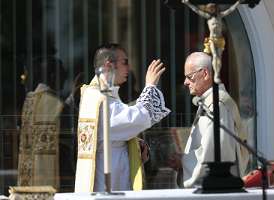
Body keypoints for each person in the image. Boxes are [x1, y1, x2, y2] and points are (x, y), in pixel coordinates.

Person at [74, 43, 170, 192]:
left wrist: (133, 142)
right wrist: (150, 86)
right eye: (124, 62)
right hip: (108, 177)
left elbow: (110, 132)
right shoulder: (100, 98)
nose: (128, 68)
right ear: (108, 65)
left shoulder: (95, 94)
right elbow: (135, 119)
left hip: (112, 167)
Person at [168, 52, 249, 188]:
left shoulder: (218, 104)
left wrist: (183, 160)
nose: (185, 82)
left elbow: (217, 152)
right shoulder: (209, 101)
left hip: (216, 188)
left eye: (189, 77)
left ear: (205, 74)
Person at [18, 56, 67, 190]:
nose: (64, 81)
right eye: (63, 76)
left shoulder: (29, 100)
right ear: (52, 76)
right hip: (51, 172)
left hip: (28, 171)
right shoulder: (55, 102)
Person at [182, 0, 243, 83]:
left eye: (213, 7)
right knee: (215, 56)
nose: (212, 9)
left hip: (220, 39)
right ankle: (216, 76)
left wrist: (237, 3)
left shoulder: (220, 16)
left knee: (218, 58)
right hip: (212, 40)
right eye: (210, 8)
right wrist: (188, 3)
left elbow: (230, 10)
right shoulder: (208, 17)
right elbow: (196, 10)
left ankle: (217, 73)